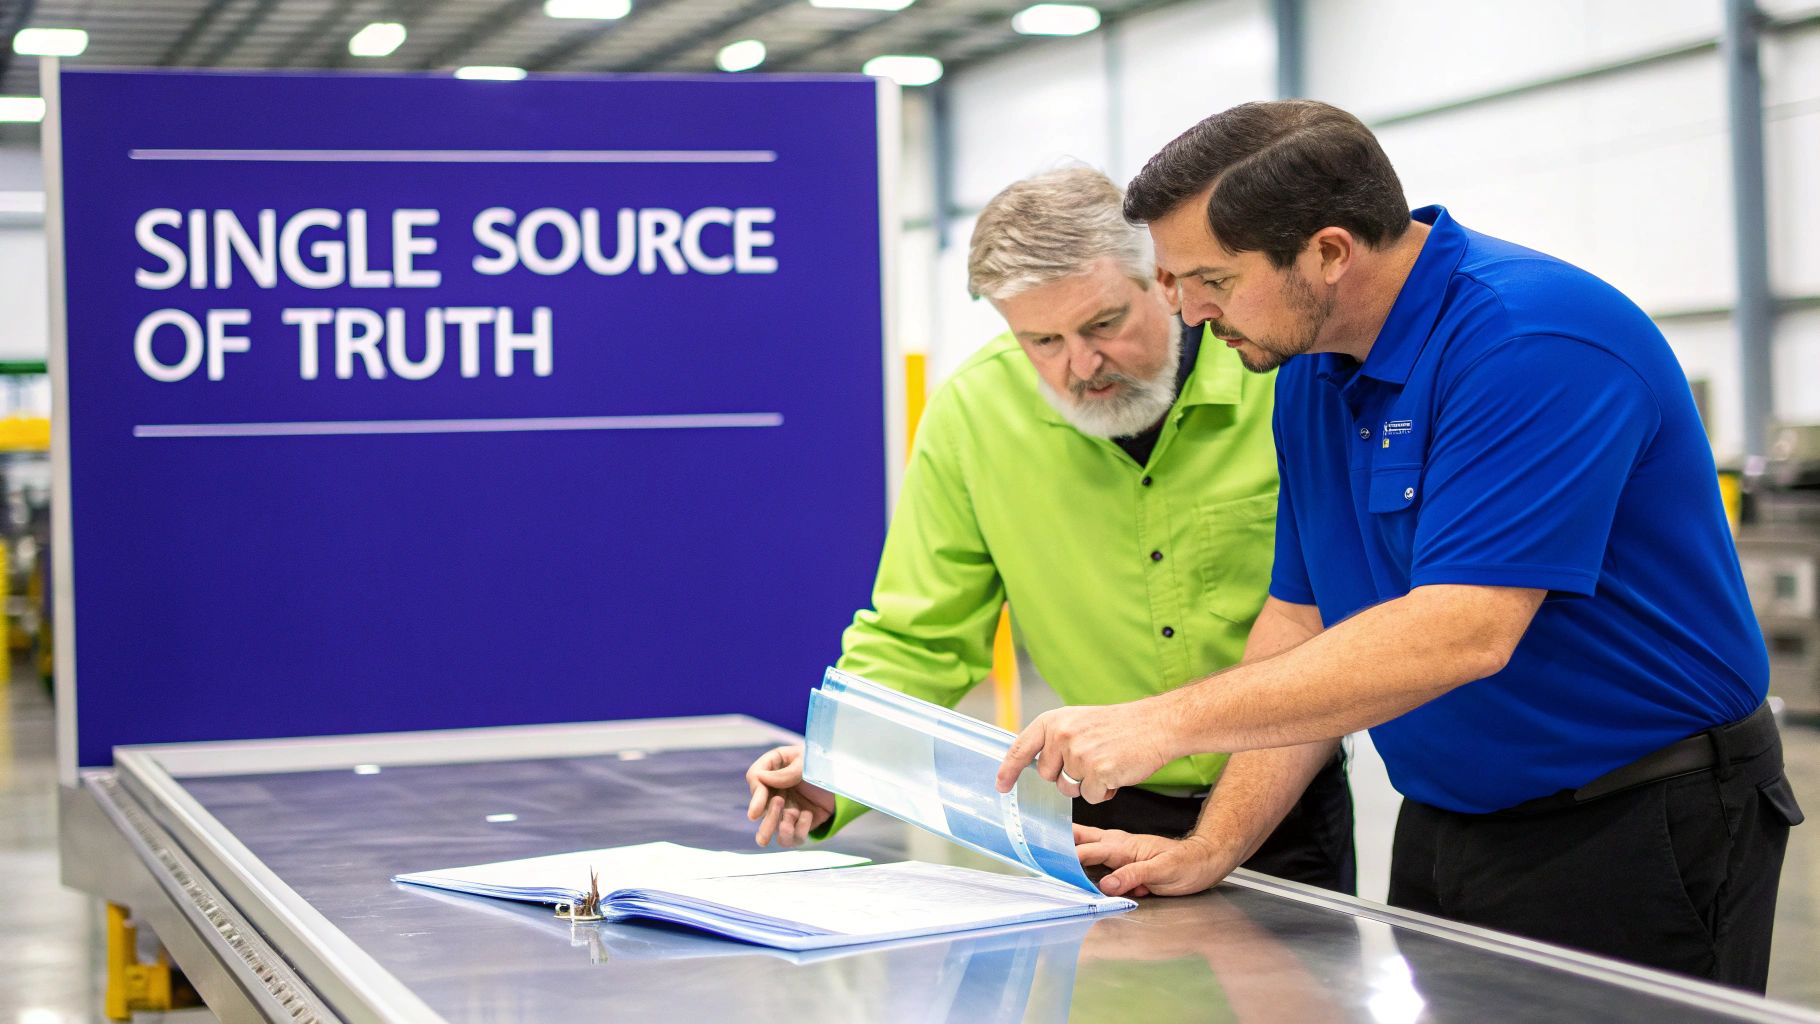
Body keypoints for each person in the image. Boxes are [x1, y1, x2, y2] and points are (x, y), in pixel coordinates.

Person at [997, 100, 1803, 990]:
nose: (1186, 313)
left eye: (1212, 282)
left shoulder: (1529, 343)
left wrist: (1161, 722)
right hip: (1448, 817)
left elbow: (1463, 630)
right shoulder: (1306, 368)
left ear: (1330, 252)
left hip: (1639, 817)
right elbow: (1302, 620)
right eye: (1173, 281)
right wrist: (1212, 845)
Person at [744, 166, 1356, 893]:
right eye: (1041, 339)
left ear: (1163, 281)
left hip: (1282, 792)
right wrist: (837, 770)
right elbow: (919, 637)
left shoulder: (1283, 381)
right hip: (1095, 812)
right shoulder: (973, 416)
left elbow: (1331, 624)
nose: (1082, 365)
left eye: (1104, 324)